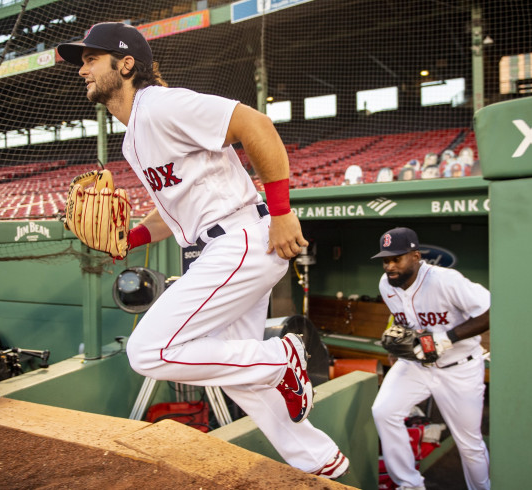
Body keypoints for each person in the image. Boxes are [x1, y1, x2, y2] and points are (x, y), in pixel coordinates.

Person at [56, 23, 349, 479]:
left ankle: (282, 357)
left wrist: (283, 211)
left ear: (126, 64)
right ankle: (320, 460)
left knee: (148, 351)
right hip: (218, 245)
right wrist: (128, 240)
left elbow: (257, 124)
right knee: (239, 373)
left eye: (92, 58)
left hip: (241, 240)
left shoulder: (162, 105)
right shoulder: (135, 134)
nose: (83, 70)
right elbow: (170, 212)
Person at [370, 227, 490, 490]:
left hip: (459, 368)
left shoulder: (446, 280)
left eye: (396, 258)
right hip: (416, 365)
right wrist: (396, 346)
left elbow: (491, 311)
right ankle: (410, 484)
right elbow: (403, 321)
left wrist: (447, 338)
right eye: (385, 260)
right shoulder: (386, 285)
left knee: (469, 444)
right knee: (384, 411)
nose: (390, 265)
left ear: (415, 256)